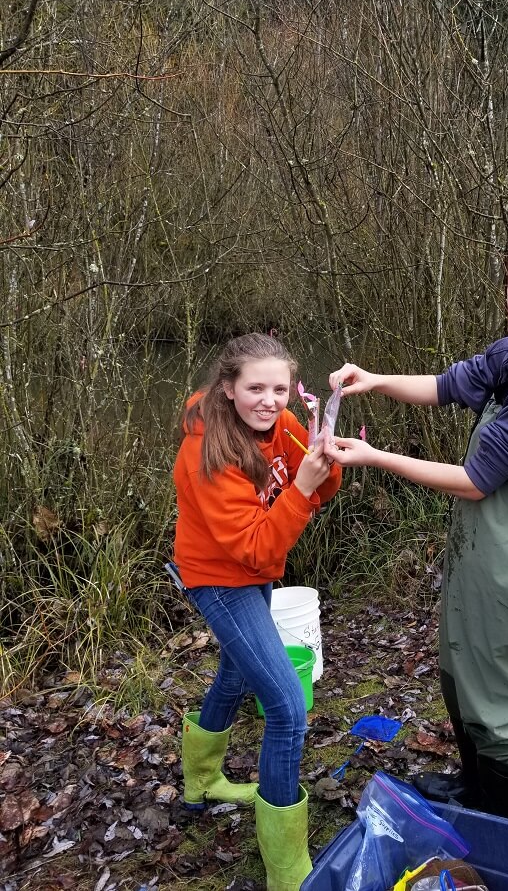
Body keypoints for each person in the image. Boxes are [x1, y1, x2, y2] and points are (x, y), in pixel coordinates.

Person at [324, 225, 508, 823]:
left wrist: (373, 457)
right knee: (462, 666)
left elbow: (476, 479)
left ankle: (506, 825)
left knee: (498, 689)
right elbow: (448, 386)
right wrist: (374, 381)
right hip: (485, 549)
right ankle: (475, 792)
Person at [172, 332, 341, 889]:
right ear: (228, 388)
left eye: (279, 388)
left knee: (236, 671)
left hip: (254, 571)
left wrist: (322, 456)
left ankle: (199, 784)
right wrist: (301, 489)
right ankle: (286, 866)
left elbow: (321, 492)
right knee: (288, 707)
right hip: (219, 579)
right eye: (254, 389)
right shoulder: (207, 453)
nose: (269, 401)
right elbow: (254, 545)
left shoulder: (284, 423)